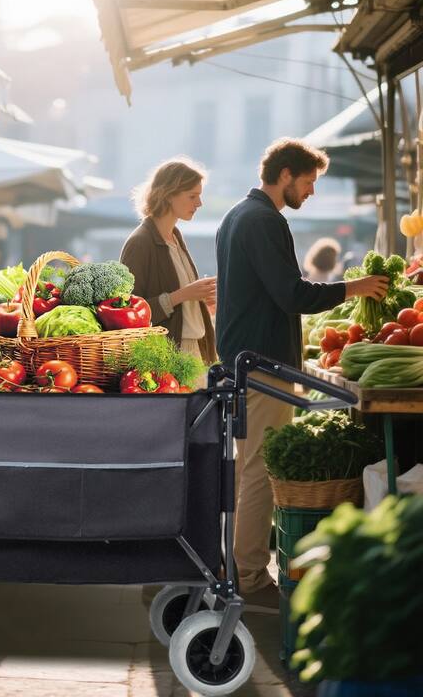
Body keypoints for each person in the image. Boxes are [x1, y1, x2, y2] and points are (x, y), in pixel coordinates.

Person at [215, 138, 388, 610]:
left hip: (246, 360)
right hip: (263, 362)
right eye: (309, 181)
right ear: (286, 174)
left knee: (246, 469)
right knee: (258, 470)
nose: (311, 191)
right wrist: (355, 287)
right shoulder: (263, 220)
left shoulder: (237, 216)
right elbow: (293, 294)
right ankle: (251, 578)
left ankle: (235, 567)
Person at [120, 158, 216, 364]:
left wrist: (200, 300)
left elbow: (180, 300)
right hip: (168, 356)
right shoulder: (140, 243)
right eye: (192, 196)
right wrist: (184, 294)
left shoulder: (175, 237)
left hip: (194, 350)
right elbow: (129, 312)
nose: (199, 203)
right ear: (169, 194)